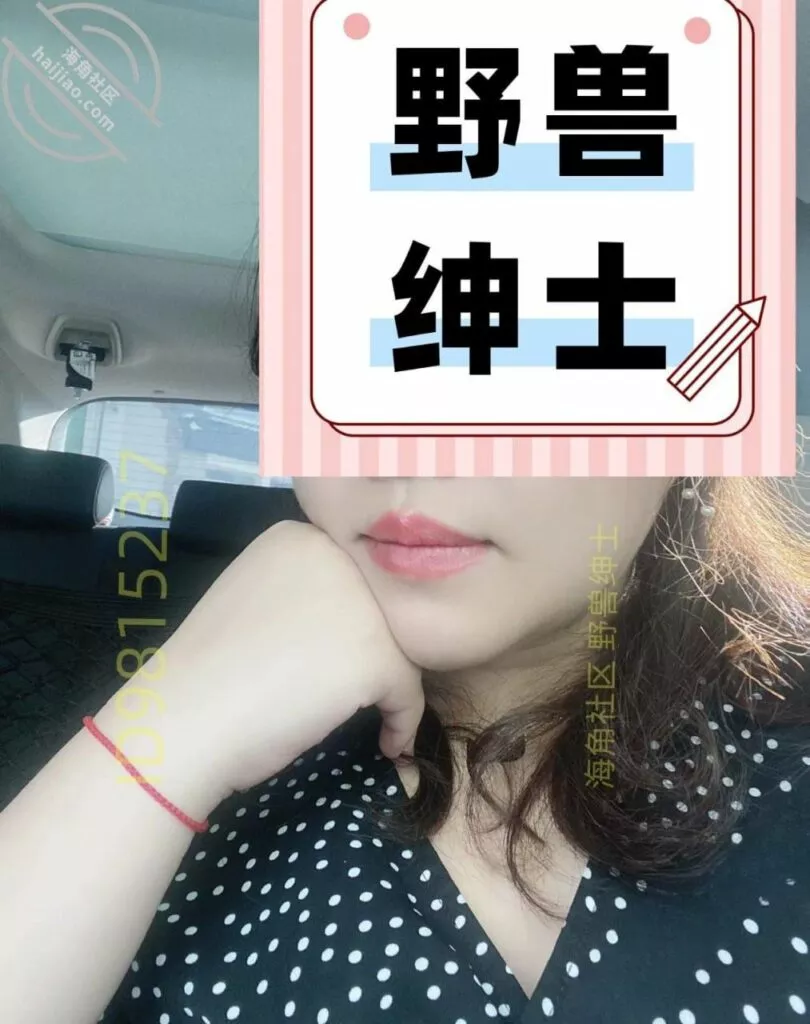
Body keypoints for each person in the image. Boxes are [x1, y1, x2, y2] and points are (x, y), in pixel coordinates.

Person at [1, 334, 809, 1024]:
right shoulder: (181, 757)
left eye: (518, 350)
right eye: (337, 358)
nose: (401, 436)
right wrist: (168, 738)